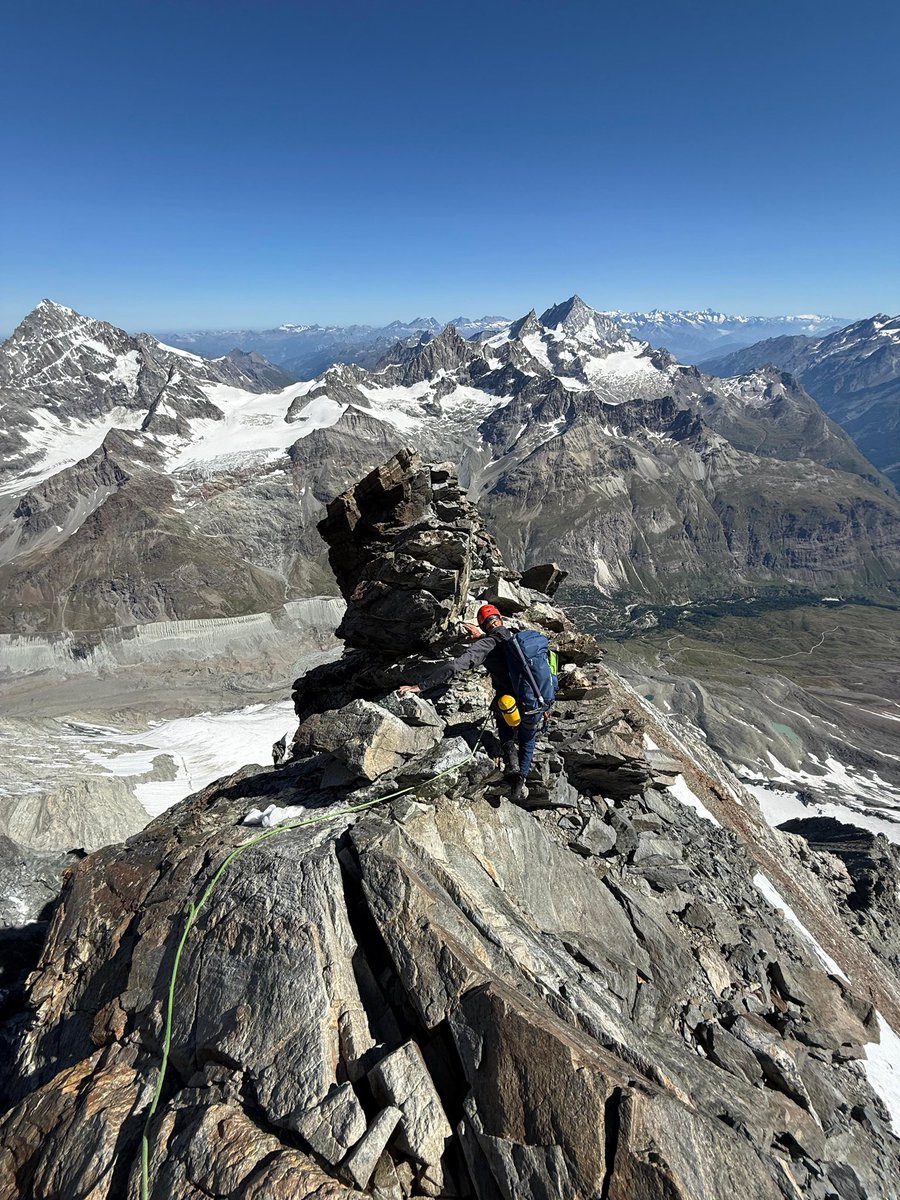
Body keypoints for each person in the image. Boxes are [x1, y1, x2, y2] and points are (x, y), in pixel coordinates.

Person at [398, 604, 553, 802]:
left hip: (509, 702)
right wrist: (546, 705)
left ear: (483, 624)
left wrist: (421, 686)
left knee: (502, 716)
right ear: (500, 619)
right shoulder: (518, 638)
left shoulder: (487, 644)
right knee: (528, 739)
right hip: (537, 699)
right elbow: (544, 673)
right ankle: (519, 779)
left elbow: (456, 665)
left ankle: (511, 762)